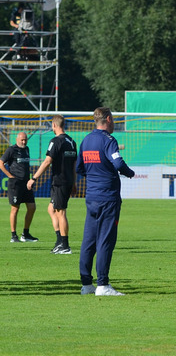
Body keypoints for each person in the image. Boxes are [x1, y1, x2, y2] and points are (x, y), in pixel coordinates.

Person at [76, 107, 135, 295]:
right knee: (105, 240)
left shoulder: (86, 140)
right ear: (108, 119)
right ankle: (102, 284)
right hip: (107, 198)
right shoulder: (108, 141)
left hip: (91, 196)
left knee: (89, 240)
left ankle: (86, 284)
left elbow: (79, 168)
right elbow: (118, 163)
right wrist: (129, 173)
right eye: (114, 119)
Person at [28, 115, 78, 253]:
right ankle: (59, 241)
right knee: (51, 209)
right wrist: (74, 183)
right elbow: (74, 165)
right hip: (67, 180)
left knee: (61, 212)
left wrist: (34, 178)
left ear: (54, 125)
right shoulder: (72, 141)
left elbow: (47, 161)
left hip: (60, 182)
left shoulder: (55, 141)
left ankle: (65, 246)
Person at [2, 131, 38, 243]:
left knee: (32, 207)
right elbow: (0, 163)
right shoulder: (11, 150)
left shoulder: (26, 149)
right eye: (22, 140)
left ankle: (25, 234)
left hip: (26, 183)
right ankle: (13, 235)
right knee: (15, 208)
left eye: (25, 140)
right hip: (16, 184)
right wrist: (10, 176)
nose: (24, 142)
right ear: (17, 139)